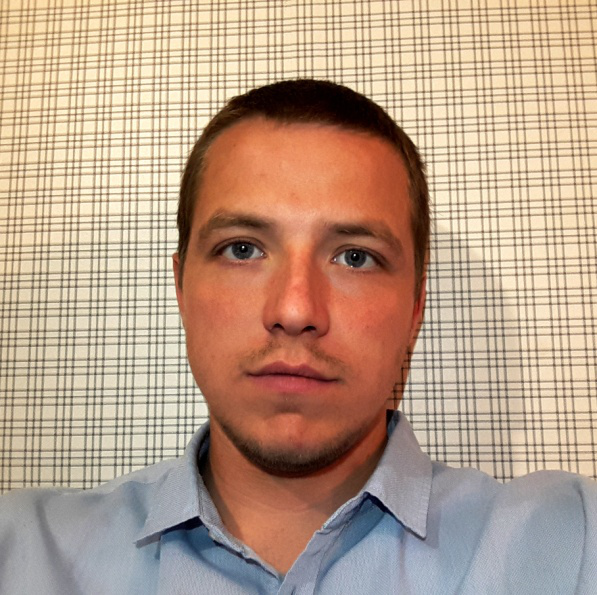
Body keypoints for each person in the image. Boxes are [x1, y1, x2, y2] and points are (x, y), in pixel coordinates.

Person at [0, 79, 595, 594]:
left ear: (416, 307)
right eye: (242, 249)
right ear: (181, 288)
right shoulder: (19, 550)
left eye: (355, 257)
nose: (294, 309)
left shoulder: (576, 543)